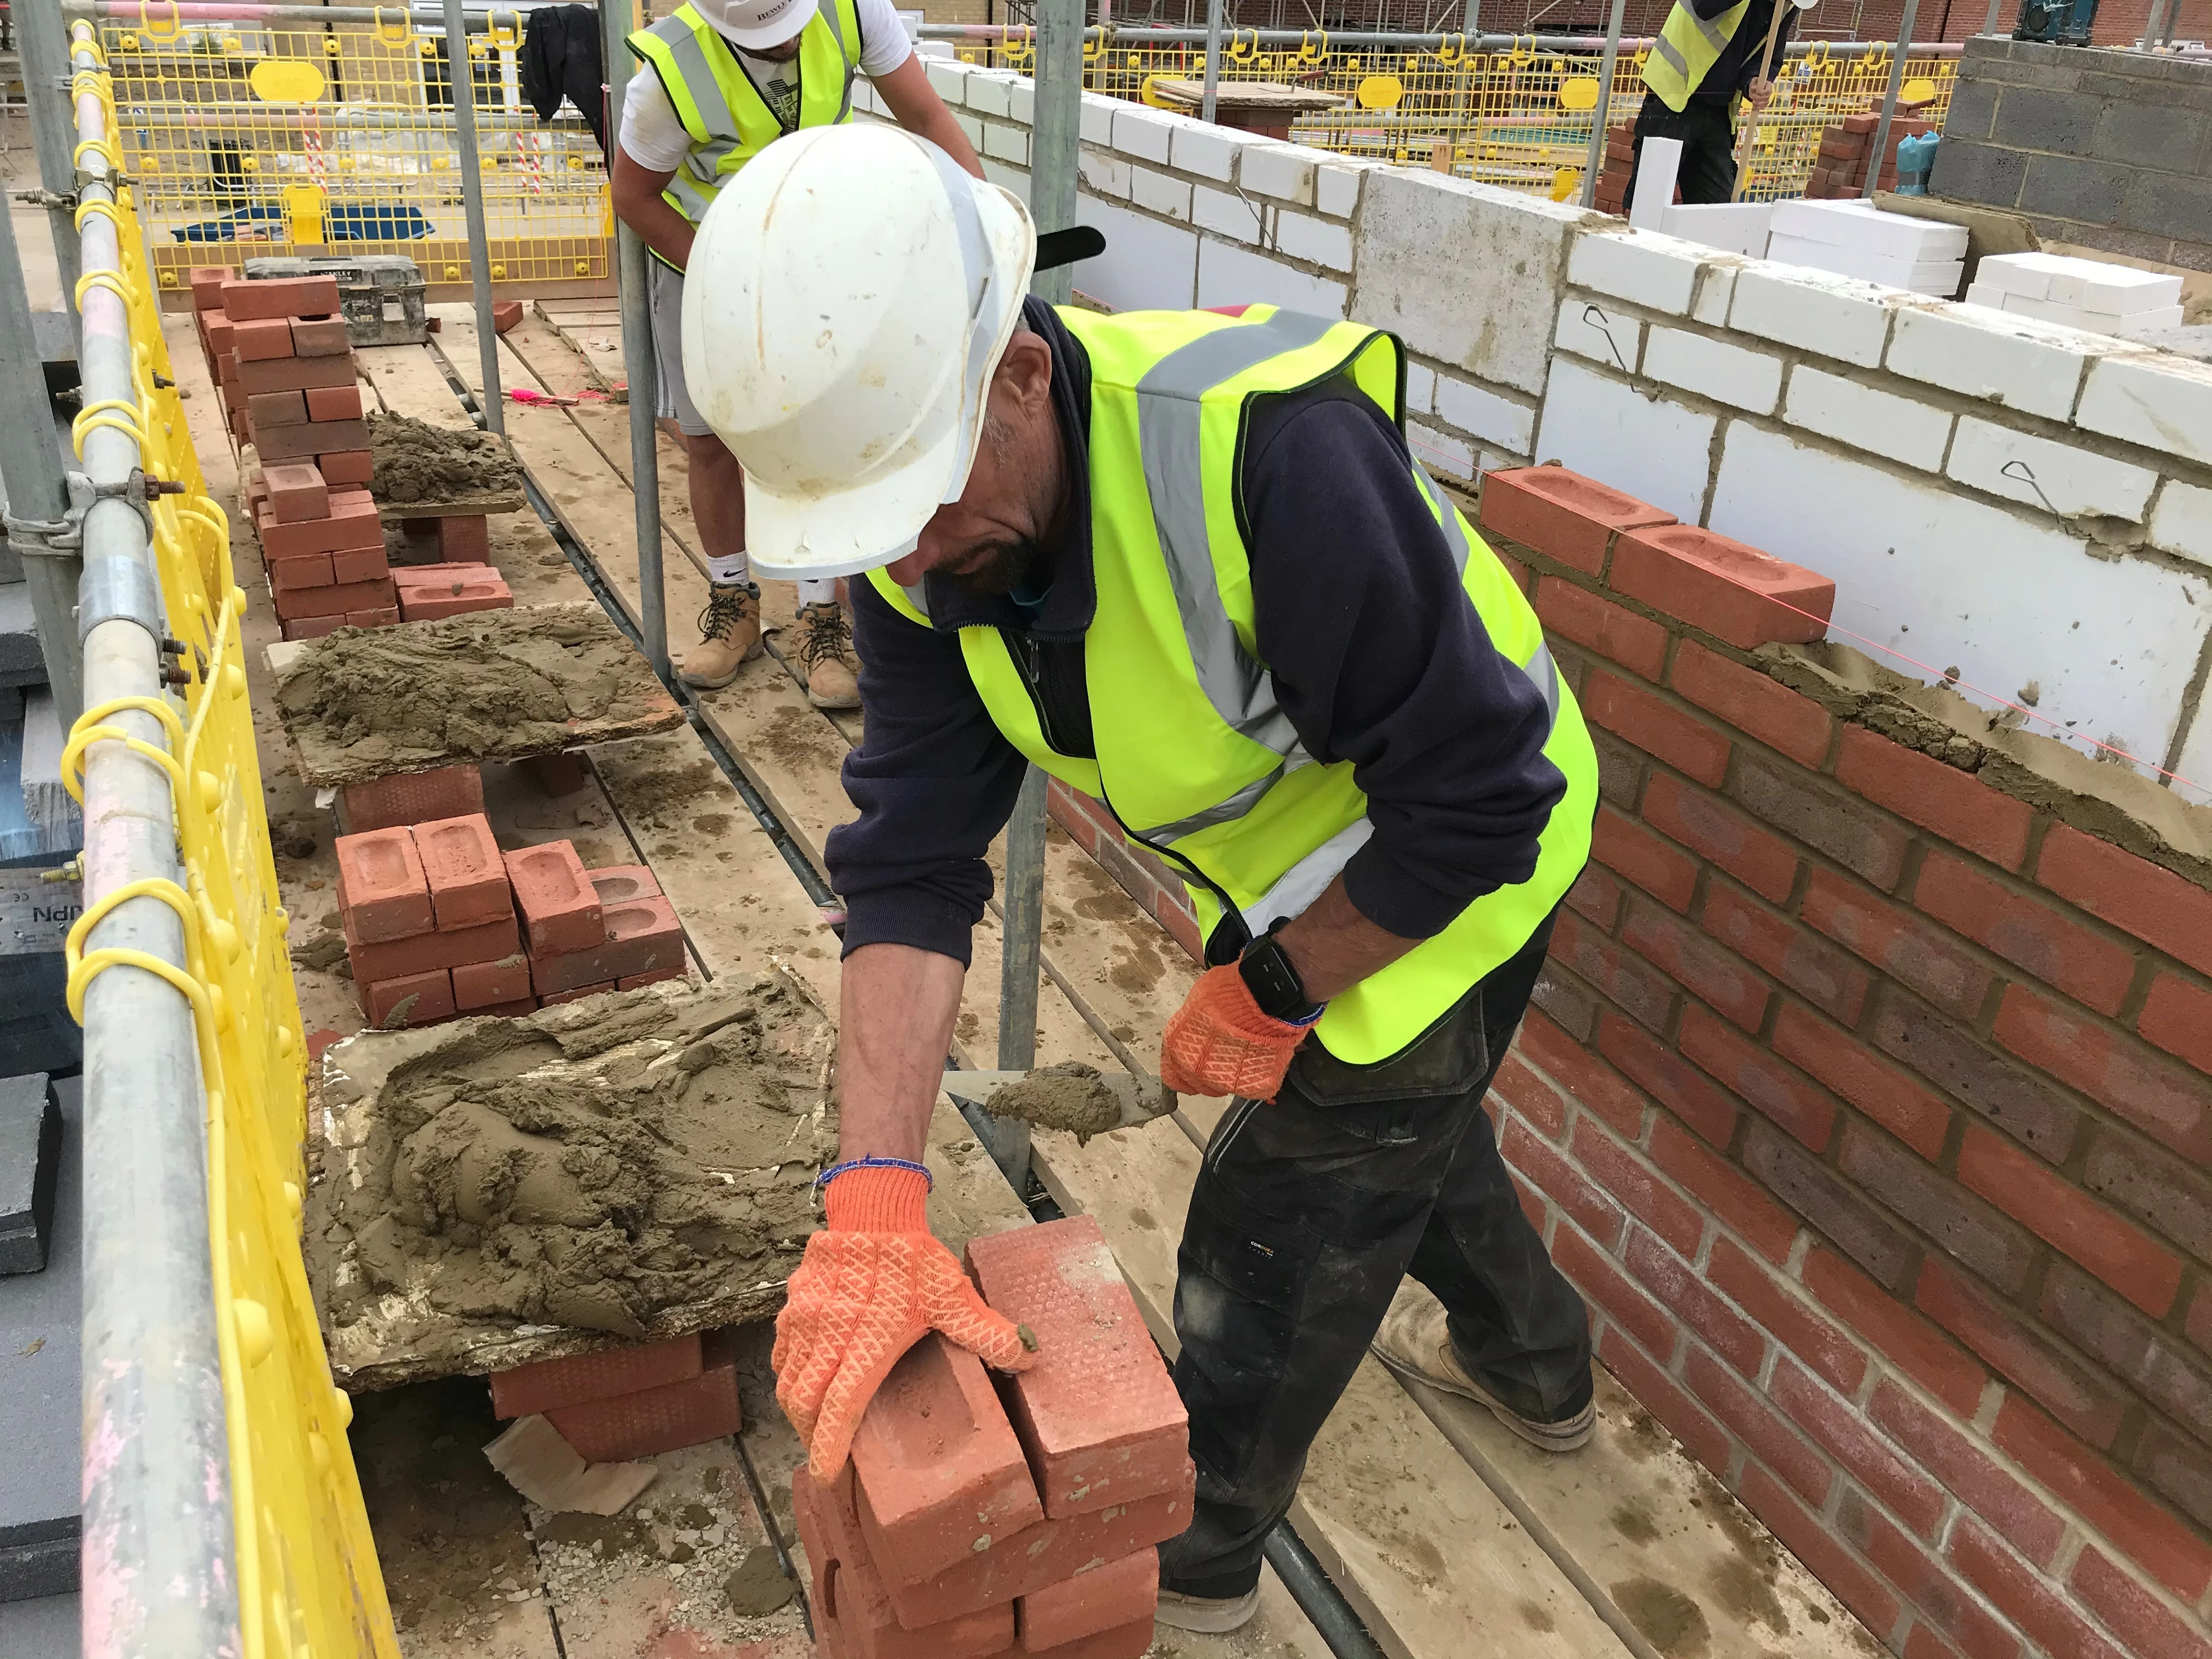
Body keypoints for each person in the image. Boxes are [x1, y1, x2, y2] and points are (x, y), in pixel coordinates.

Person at [685, 125, 1601, 1635]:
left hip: (1469, 843)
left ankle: (1194, 1562)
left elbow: (1481, 803)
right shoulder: (927, 541)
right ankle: (1539, 1367)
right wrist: (872, 1202)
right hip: (1301, 842)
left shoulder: (1269, 455)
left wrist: (1290, 976)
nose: (905, 568)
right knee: (1401, 1127)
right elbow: (911, 867)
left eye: (915, 506)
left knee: (1280, 1221)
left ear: (1025, 378)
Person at [611, 0, 983, 705]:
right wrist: (726, 269)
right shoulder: (669, 74)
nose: (782, 50)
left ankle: (822, 619)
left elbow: (929, 118)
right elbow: (634, 196)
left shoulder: (852, 11)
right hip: (704, 266)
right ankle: (734, 607)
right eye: (763, 42)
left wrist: (983, 213)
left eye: (788, 33)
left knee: (820, 435)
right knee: (713, 441)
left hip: (820, 257)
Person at [1628, 0, 1807, 206]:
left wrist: (1754, 80)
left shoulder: (1787, 5)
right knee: (1648, 203)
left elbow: (1767, 53)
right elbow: (1704, 7)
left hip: (1719, 110)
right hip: (1673, 94)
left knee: (1716, 212)